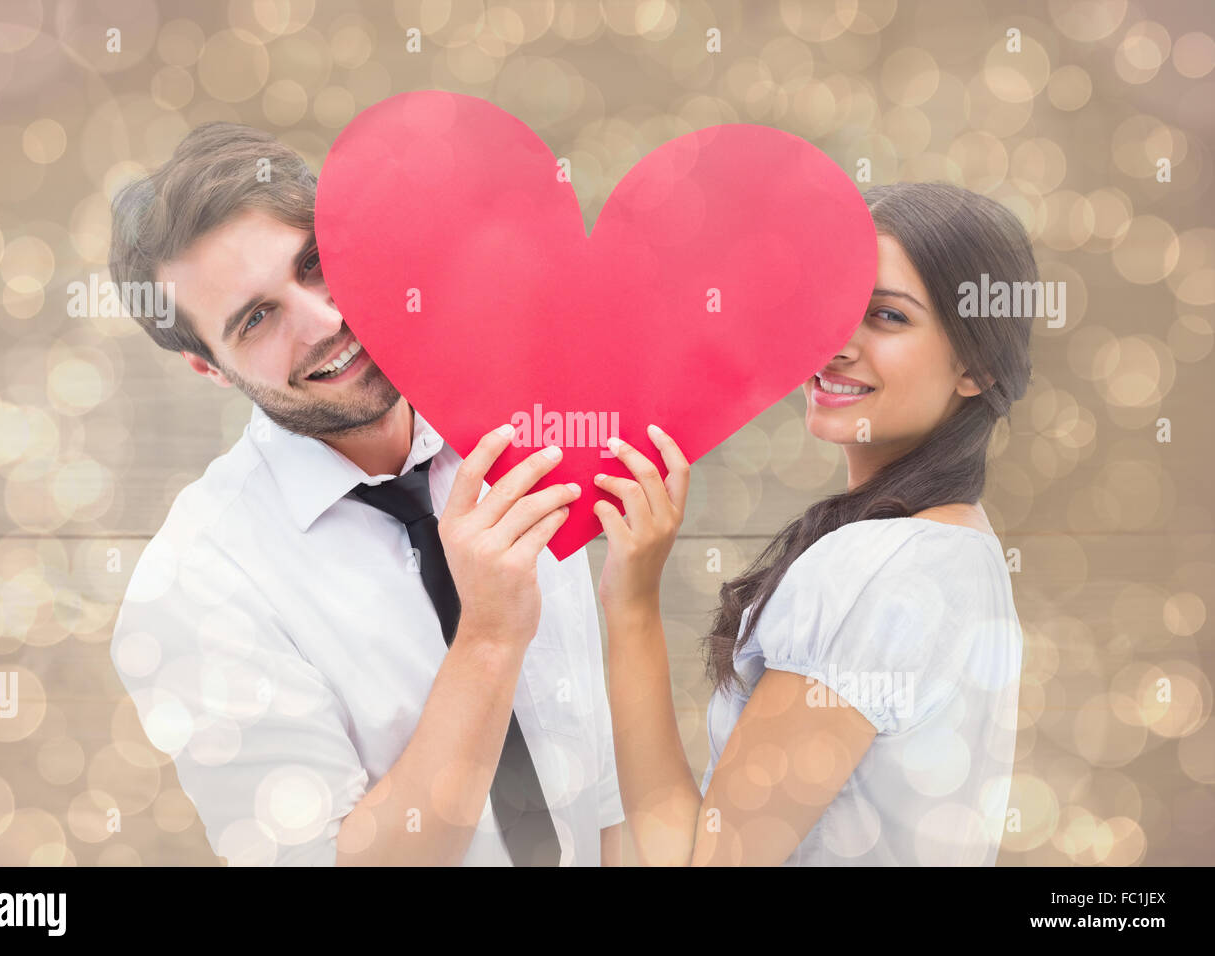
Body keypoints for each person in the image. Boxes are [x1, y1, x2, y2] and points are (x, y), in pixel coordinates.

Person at [106, 122, 623, 866]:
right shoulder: (194, 590)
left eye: (316, 264)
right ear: (209, 369)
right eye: (256, 318)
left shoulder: (516, 429)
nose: (327, 320)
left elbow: (591, 781)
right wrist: (487, 638)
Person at [591, 182, 1033, 865]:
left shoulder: (869, 572)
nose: (837, 344)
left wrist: (632, 606)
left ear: (975, 364)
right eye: (828, 307)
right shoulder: (963, 543)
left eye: (887, 316)